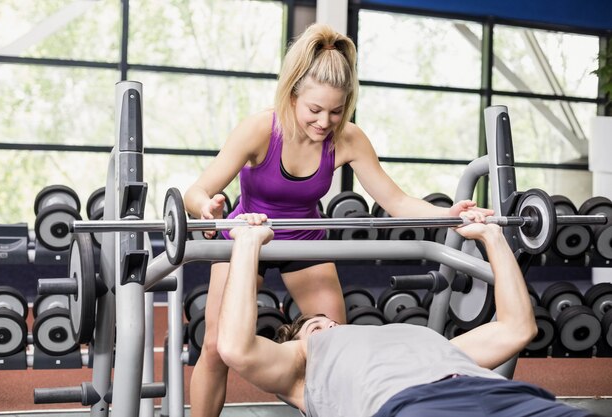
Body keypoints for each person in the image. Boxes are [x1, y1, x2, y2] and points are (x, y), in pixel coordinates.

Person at [183, 23, 492, 416]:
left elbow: (395, 200)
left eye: (336, 111)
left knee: (337, 347)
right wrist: (207, 207)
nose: (325, 122)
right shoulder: (261, 129)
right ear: (292, 93)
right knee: (215, 347)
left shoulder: (348, 138)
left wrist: (448, 214)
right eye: (314, 109)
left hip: (305, 239)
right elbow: (197, 191)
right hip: (245, 238)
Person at [217, 221, 597, 417]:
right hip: (413, 406)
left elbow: (518, 328)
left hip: (506, 397)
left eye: (329, 322)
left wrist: (492, 237)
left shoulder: (431, 344)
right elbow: (235, 348)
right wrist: (247, 245)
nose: (331, 325)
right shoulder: (303, 365)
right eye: (316, 325)